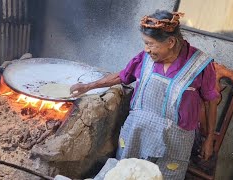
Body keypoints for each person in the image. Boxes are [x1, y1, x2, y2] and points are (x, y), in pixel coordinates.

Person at [70, 10, 220, 180]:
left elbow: (211, 102)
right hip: (138, 132)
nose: (146, 49)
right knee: (127, 174)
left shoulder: (199, 65)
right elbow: (124, 75)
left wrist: (210, 139)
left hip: (173, 140)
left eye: (150, 44)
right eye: (145, 43)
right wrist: (89, 86)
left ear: (170, 42)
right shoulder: (146, 57)